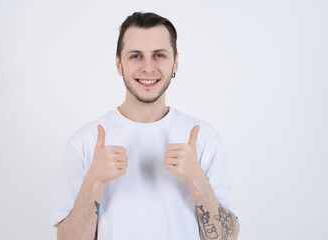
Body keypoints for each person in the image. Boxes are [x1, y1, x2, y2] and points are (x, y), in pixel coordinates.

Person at [51, 12, 239, 240]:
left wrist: (197, 181)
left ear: (175, 63)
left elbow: (227, 238)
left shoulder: (205, 139)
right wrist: (94, 181)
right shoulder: (83, 143)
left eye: (159, 55)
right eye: (135, 56)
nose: (148, 68)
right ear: (119, 64)